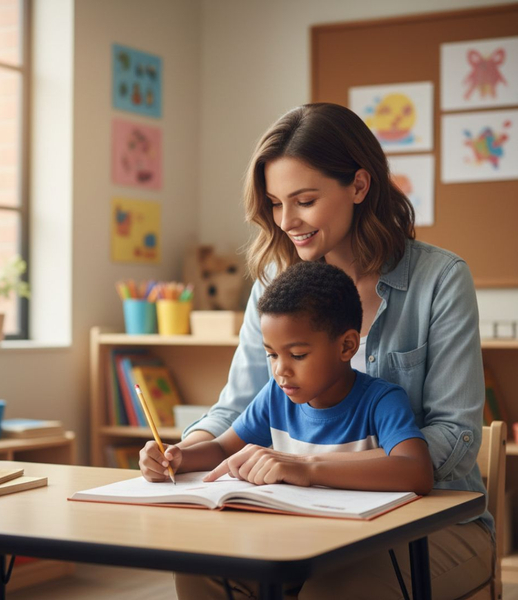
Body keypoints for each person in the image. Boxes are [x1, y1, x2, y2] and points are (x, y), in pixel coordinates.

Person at [166, 103, 492, 599]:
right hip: (296, 511)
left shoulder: (440, 279)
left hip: (430, 519)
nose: (287, 220)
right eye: (276, 203)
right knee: (202, 568)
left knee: (333, 587)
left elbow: (453, 433)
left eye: (305, 200)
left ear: (359, 187)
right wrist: (179, 453)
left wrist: (315, 471)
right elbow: (236, 407)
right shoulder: (274, 283)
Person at [141, 260, 434, 498]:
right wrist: (178, 456)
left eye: (297, 355)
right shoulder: (275, 396)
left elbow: (417, 472)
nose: (281, 370)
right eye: (272, 355)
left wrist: (307, 470)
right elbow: (221, 448)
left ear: (346, 346)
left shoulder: (381, 401)